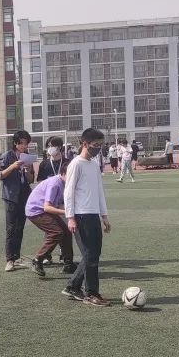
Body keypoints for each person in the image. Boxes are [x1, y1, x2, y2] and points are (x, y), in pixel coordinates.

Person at [62, 128, 112, 307]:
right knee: (91, 254)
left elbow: (99, 191)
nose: (98, 148)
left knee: (93, 254)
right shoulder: (76, 164)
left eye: (101, 145)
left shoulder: (94, 164)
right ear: (84, 144)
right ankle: (91, 293)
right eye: (96, 145)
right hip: (81, 215)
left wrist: (104, 216)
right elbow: (68, 192)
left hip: (93, 214)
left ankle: (73, 286)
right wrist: (70, 217)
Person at [26, 160, 75, 278]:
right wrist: (67, 212)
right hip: (36, 211)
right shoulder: (55, 184)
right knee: (56, 232)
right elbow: (47, 207)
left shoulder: (64, 183)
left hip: (44, 210)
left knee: (67, 232)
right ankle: (37, 260)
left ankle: (68, 264)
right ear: (63, 173)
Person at [0, 129, 33, 272]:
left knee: (20, 227)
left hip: (24, 195)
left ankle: (16, 257)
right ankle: (9, 259)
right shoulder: (7, 156)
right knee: (11, 228)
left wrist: (28, 170)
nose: (24, 146)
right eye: (22, 143)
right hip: (11, 196)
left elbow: (30, 180)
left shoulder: (27, 157)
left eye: (26, 143)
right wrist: (13, 166)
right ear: (15, 143)